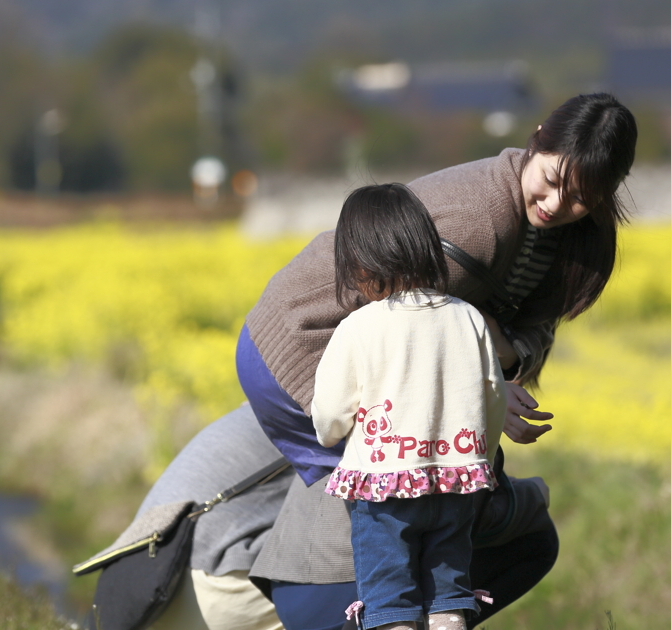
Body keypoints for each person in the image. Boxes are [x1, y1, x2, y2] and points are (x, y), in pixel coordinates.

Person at [237, 92, 637, 630]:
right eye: (554, 177)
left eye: (582, 196)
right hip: (302, 344)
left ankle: (426, 597)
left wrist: (503, 360)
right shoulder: (479, 217)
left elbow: (532, 328)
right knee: (404, 499)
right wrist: (486, 380)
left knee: (439, 494)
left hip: (359, 346)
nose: (556, 202)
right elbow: (415, 322)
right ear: (538, 137)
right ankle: (399, 605)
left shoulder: (569, 237)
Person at [311, 184, 508, 630]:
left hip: (383, 495)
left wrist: (328, 437)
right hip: (457, 487)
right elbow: (492, 399)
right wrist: (476, 458)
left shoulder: (359, 327)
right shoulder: (469, 318)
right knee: (448, 601)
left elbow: (329, 415)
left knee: (390, 607)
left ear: (359, 262)